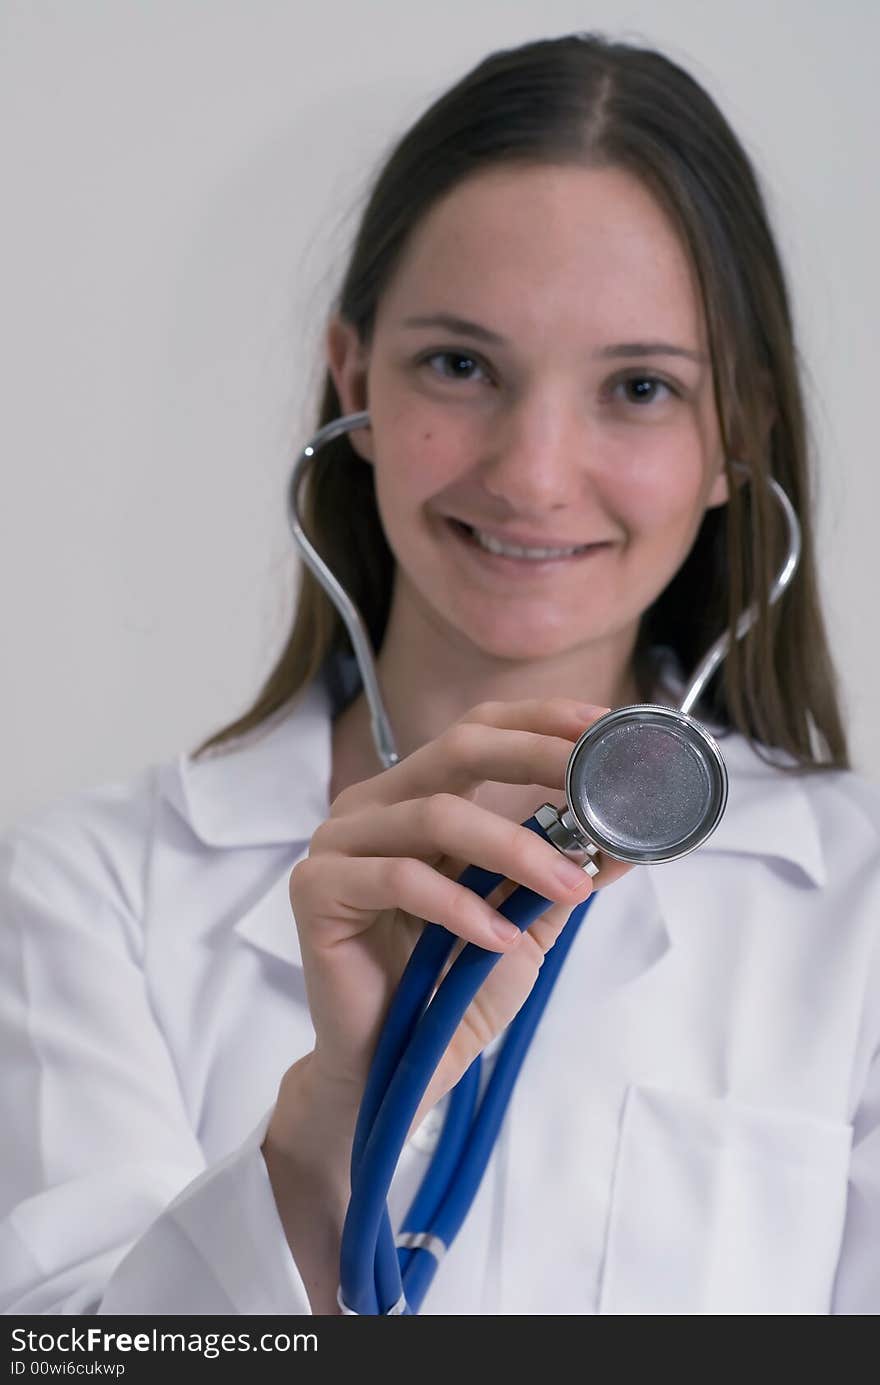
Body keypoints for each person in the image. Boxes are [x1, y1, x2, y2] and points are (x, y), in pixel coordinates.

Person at [1, 31, 878, 1318]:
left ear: (731, 434)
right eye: (460, 365)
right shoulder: (93, 893)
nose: (530, 472)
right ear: (351, 376)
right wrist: (327, 1123)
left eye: (638, 386)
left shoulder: (855, 908)